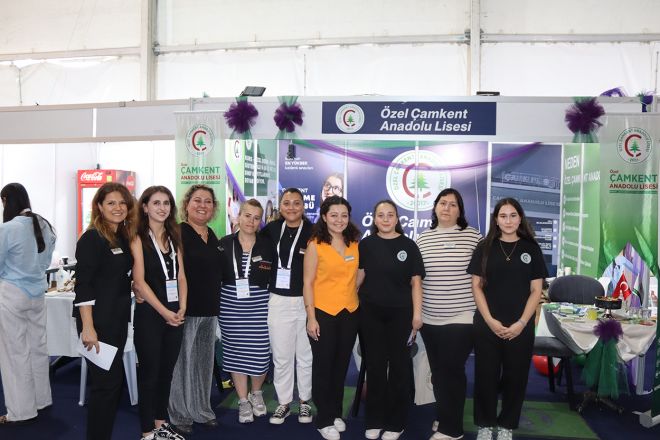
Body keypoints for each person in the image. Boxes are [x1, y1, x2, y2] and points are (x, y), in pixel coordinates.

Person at [466, 198, 547, 440]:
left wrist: (521, 323)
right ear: (496, 219)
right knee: (486, 376)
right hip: (487, 324)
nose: (508, 221)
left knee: (516, 377)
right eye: (503, 216)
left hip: (520, 326)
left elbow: (536, 290)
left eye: (513, 215)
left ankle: (507, 425)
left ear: (520, 218)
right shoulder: (484, 247)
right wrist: (489, 320)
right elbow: (476, 286)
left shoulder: (531, 248)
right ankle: (485, 424)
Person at [416, 188, 482, 440]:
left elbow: (484, 276)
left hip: (462, 316)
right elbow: (417, 281)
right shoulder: (423, 239)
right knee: (439, 372)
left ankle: (452, 430)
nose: (447, 208)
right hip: (429, 318)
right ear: (435, 207)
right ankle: (445, 417)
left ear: (460, 210)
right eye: (443, 203)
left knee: (451, 370)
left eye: (453, 204)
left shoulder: (473, 237)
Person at [73, 182, 137, 440]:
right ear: (99, 206)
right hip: (97, 323)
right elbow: (83, 285)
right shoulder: (91, 238)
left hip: (117, 320)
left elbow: (118, 275)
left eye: (122, 203)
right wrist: (88, 327)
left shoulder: (121, 236)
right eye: (111, 203)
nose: (118, 207)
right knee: (106, 386)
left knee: (111, 385)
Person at [357, 200, 425, 440]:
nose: (385, 219)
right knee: (375, 367)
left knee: (399, 368)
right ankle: (374, 420)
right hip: (370, 315)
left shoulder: (409, 245)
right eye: (381, 215)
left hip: (401, 316)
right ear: (374, 219)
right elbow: (359, 278)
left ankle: (396, 423)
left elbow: (416, 283)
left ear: (397, 218)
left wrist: (417, 316)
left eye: (390, 215)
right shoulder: (366, 245)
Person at [130, 186, 187, 440]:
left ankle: (161, 424)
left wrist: (183, 306)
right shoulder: (138, 238)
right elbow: (140, 282)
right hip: (151, 316)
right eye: (156, 203)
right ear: (145, 207)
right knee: (149, 374)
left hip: (175, 315)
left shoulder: (174, 236)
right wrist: (165, 312)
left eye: (166, 203)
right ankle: (147, 431)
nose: (162, 208)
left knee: (166, 373)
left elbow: (181, 276)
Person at [303, 195, 360, 440]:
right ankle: (323, 419)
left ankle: (335, 412)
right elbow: (307, 283)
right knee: (323, 367)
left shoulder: (354, 243)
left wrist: (352, 290)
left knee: (340, 366)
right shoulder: (315, 244)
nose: (339, 220)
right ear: (324, 217)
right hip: (323, 314)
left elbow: (359, 273)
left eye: (344, 215)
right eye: (334, 215)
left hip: (350, 313)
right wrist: (311, 317)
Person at [0, 183, 56, 426]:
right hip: (37, 293)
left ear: (6, 200)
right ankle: (41, 400)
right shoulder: (44, 224)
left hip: (12, 294)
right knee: (37, 349)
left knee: (15, 353)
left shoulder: (8, 228)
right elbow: (45, 262)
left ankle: (20, 411)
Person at [168, 185, 222, 435]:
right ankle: (180, 414)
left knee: (203, 364)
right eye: (197, 200)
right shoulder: (177, 234)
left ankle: (201, 410)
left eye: (208, 201)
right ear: (187, 205)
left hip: (209, 310)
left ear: (213, 207)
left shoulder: (212, 235)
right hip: (185, 310)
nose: (202, 205)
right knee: (182, 364)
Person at [261, 188, 314, 425]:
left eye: (296, 203)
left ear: (303, 206)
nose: (291, 207)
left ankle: (304, 402)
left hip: (307, 301)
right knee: (281, 356)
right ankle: (283, 402)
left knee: (305, 356)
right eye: (286, 203)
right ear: (280, 206)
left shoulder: (314, 232)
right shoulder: (270, 230)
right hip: (278, 300)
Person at [218, 198, 274, 424]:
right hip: (230, 308)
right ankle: (243, 400)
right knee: (235, 354)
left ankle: (256, 393)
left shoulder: (268, 245)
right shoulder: (223, 244)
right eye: (247, 215)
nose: (251, 221)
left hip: (260, 308)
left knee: (260, 352)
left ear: (261, 221)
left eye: (256, 218)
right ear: (238, 216)